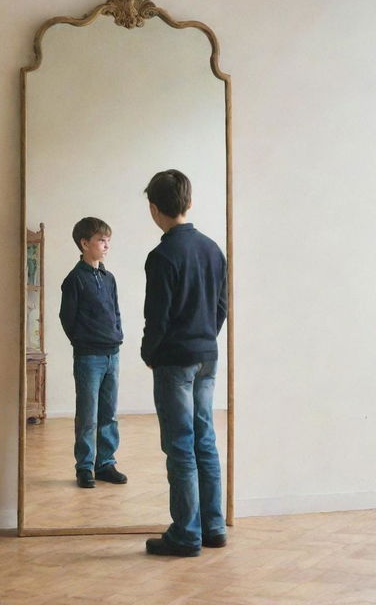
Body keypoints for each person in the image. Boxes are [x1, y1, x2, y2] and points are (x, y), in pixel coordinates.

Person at [141, 169, 228, 556]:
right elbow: (222, 306)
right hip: (207, 355)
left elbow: (156, 317)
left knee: (180, 445)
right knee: (204, 441)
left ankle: (186, 534)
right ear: (189, 203)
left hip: (175, 360)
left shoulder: (162, 256)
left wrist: (149, 353)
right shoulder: (212, 249)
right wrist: (207, 338)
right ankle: (213, 527)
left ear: (154, 209)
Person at [59, 217, 127, 489]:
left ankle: (106, 463)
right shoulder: (74, 279)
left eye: (108, 239)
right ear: (84, 243)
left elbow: (116, 312)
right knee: (88, 414)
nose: (106, 244)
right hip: (89, 357)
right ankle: (85, 467)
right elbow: (67, 317)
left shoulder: (109, 278)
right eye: (101, 240)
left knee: (109, 413)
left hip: (113, 354)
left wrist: (117, 334)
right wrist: (83, 341)